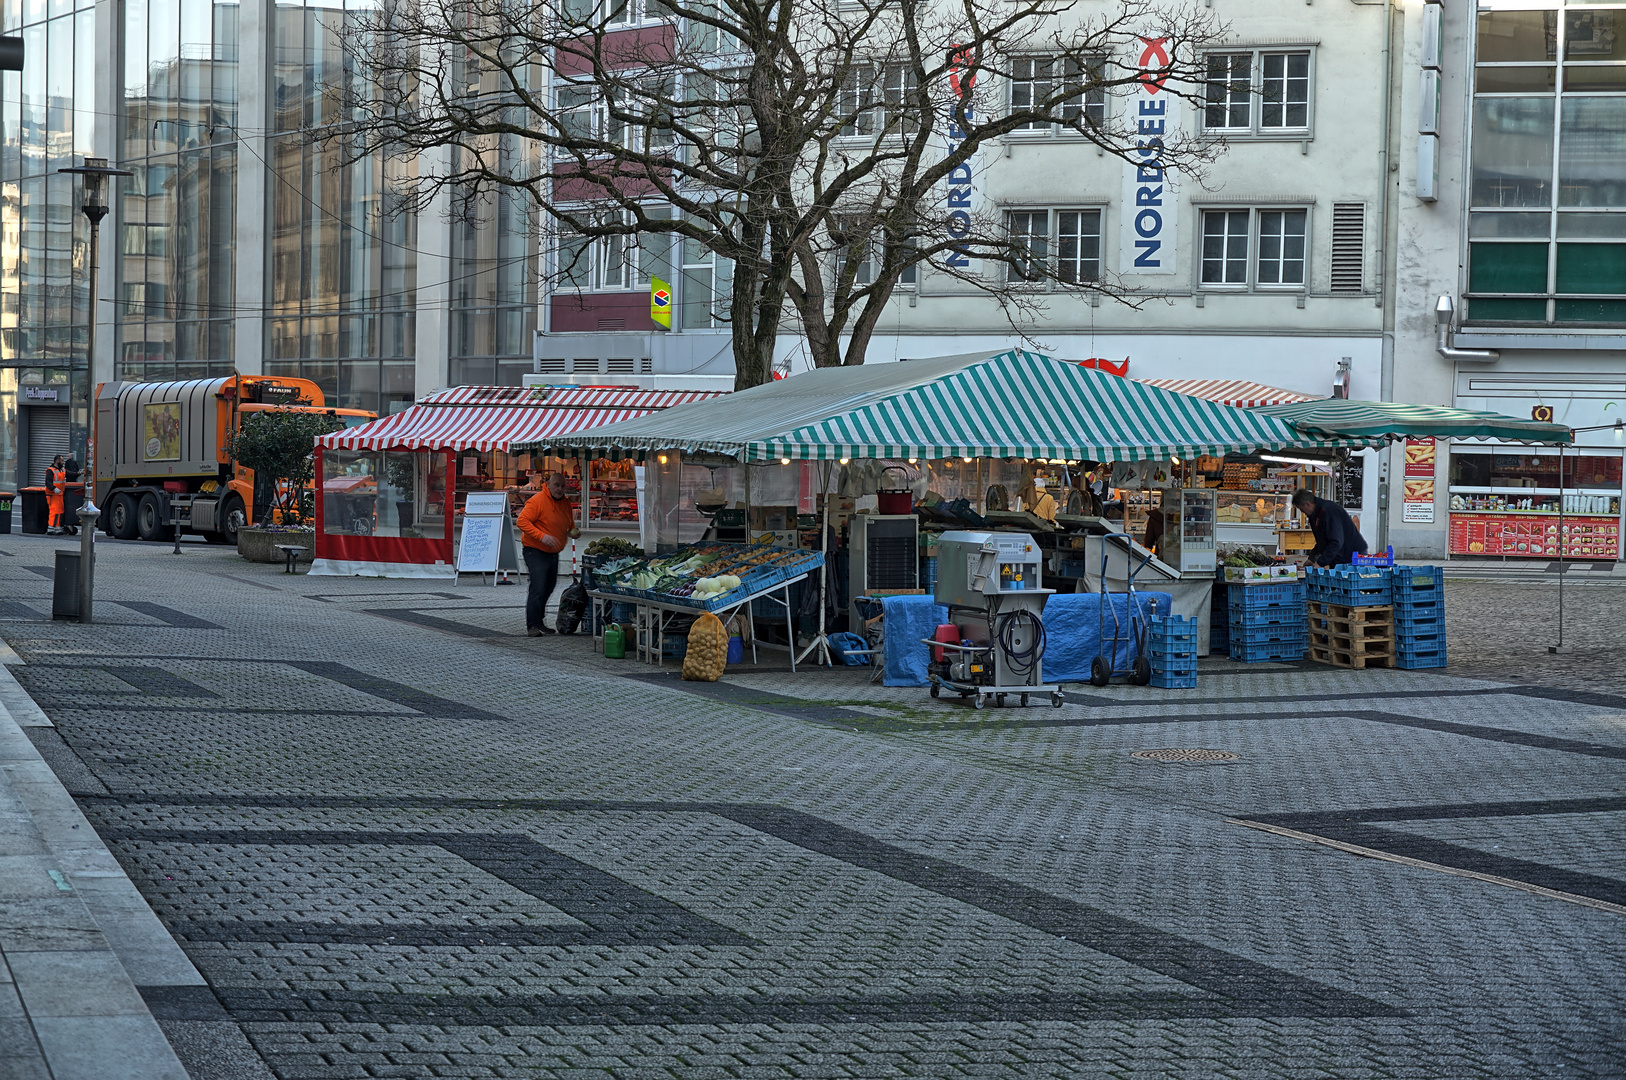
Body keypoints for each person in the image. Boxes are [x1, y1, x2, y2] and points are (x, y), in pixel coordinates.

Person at [516, 470, 580, 636]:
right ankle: (532, 626)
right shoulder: (537, 501)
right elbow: (521, 521)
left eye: (563, 486)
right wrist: (541, 536)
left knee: (549, 586)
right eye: (556, 485)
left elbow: (569, 524)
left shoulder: (565, 503)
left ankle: (539, 621)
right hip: (534, 550)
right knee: (538, 586)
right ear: (548, 485)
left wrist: (573, 532)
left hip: (553, 552)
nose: (560, 489)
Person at [1292, 488, 1369, 566]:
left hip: (1351, 556)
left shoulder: (1329, 512)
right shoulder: (1315, 515)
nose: (1302, 512)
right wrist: (1312, 558)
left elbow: (1336, 542)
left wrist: (1320, 563)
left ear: (1308, 504)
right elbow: (1321, 541)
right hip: (1340, 555)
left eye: (1301, 509)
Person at [45, 454, 65, 535]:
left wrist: (78, 473)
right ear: (57, 461)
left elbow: (70, 473)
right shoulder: (51, 470)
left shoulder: (62, 470)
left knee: (60, 511)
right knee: (54, 511)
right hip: (52, 494)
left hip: (59, 494)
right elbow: (47, 482)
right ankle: (51, 527)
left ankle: (57, 527)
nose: (63, 462)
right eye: (62, 460)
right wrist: (54, 488)